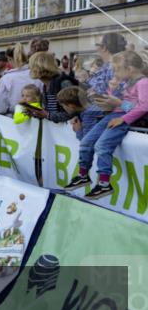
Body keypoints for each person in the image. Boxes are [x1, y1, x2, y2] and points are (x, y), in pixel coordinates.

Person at [63, 51, 148, 199]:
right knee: (86, 142)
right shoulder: (128, 82)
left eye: (116, 70)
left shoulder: (143, 83)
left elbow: (143, 107)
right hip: (114, 114)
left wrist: (124, 119)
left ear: (129, 69)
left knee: (101, 146)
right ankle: (83, 175)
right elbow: (121, 100)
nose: (114, 73)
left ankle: (104, 183)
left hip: (122, 117)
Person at [0, 43, 40, 115]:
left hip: (15, 119)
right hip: (39, 117)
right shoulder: (36, 74)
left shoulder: (6, 79)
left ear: (9, 59)